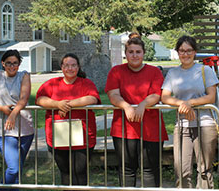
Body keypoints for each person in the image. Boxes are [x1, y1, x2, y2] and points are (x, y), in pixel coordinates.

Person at [105, 33, 168, 187]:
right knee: (127, 169)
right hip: (124, 128)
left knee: (150, 169)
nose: (134, 55)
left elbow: (156, 95)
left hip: (150, 127)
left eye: (138, 52)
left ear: (143, 53)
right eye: (131, 52)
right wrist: (126, 106)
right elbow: (113, 94)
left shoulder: (154, 72)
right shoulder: (116, 71)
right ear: (125, 54)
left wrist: (142, 105)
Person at [161, 35, 218, 189]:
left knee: (204, 169)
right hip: (183, 125)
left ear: (195, 52)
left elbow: (211, 96)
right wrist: (182, 104)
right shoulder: (173, 73)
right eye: (181, 51)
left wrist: (190, 103)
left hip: (205, 124)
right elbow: (165, 97)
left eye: (189, 50)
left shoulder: (205, 70)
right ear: (177, 52)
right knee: (181, 169)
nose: (185, 54)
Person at [35, 53, 101, 185]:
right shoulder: (52, 83)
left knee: (80, 171)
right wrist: (57, 104)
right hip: (58, 135)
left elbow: (92, 98)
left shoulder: (86, 83)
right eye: (66, 65)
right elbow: (40, 99)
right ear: (62, 67)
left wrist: (67, 105)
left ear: (78, 67)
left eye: (73, 65)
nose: (70, 68)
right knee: (65, 171)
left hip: (83, 135)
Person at [0, 49, 34, 191]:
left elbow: (24, 99)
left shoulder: (24, 76)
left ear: (19, 64)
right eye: (8, 63)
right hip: (4, 129)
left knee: (18, 171)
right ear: (3, 63)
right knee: (13, 168)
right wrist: (0, 108)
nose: (12, 66)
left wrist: (13, 113)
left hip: (24, 128)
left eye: (15, 63)